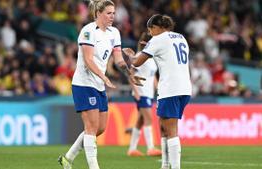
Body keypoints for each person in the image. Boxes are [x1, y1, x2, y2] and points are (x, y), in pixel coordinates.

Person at [58, 1, 143, 169]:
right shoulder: (88, 31)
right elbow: (88, 60)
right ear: (98, 13)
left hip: (99, 84)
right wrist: (103, 76)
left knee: (100, 128)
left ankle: (67, 158)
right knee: (90, 127)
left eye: (113, 13)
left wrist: (129, 75)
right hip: (84, 84)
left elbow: (118, 60)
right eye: (109, 13)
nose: (113, 16)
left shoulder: (114, 33)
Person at [123, 14, 192, 169]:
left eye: (151, 29)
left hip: (170, 88)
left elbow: (137, 62)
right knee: (163, 125)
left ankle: (174, 167)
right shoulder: (180, 37)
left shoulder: (158, 39)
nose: (150, 32)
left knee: (171, 129)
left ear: (157, 27)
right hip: (185, 88)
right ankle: (165, 165)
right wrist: (151, 46)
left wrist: (131, 55)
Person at [127, 32, 161, 157]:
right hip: (141, 93)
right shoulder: (139, 57)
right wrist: (136, 92)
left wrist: (159, 89)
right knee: (149, 119)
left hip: (149, 93)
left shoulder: (151, 58)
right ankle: (151, 148)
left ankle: (132, 149)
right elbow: (131, 74)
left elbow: (153, 77)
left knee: (141, 121)